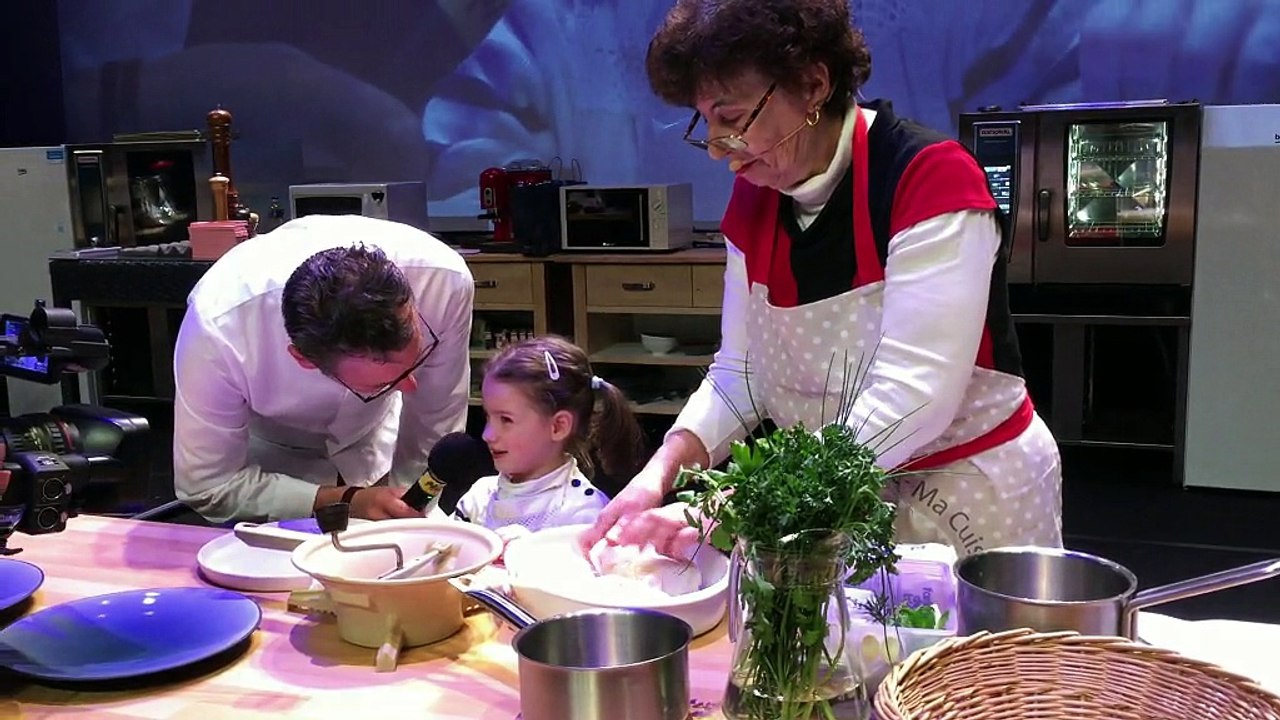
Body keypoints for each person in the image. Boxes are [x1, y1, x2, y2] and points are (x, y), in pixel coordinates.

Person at [583, 0, 1062, 559]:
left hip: (969, 494)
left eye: (732, 119)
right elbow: (741, 370)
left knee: (975, 648)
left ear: (813, 85)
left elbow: (913, 398)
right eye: (705, 122)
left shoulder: (928, 178)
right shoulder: (757, 197)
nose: (717, 149)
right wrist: (659, 471)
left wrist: (738, 500)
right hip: (834, 492)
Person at [173, 214, 474, 523]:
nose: (410, 386)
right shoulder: (218, 328)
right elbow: (208, 485)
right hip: (272, 466)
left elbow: (433, 425)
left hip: (375, 444)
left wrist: (410, 509)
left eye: (417, 359)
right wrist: (348, 501)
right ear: (304, 359)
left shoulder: (442, 283)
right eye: (381, 386)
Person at [453, 336, 645, 538]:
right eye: (488, 417)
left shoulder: (586, 516)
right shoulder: (479, 497)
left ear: (558, 426)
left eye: (506, 420)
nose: (487, 435)